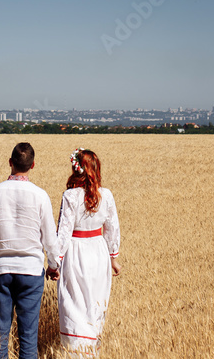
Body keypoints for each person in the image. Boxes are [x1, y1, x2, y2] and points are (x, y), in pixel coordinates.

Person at [0, 142, 61, 359]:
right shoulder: (40, 195)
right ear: (33, 165)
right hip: (31, 271)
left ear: (10, 163)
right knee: (28, 336)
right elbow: (50, 238)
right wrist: (53, 265)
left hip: (0, 270)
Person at [56, 148, 121, 355]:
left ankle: (76, 351)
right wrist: (113, 258)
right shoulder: (107, 195)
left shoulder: (70, 196)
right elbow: (112, 228)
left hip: (75, 252)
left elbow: (64, 232)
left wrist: (55, 261)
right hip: (99, 252)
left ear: (77, 170)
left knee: (74, 302)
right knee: (95, 301)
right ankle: (92, 348)